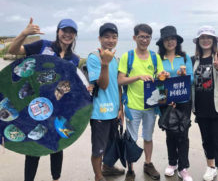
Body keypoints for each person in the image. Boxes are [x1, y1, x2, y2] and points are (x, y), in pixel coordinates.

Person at [8, 17, 79, 181]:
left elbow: (67, 83)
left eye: (71, 32)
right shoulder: (43, 45)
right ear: (58, 31)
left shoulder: (73, 59)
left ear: (75, 35)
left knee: (57, 145)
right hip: (33, 102)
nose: (67, 35)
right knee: (34, 145)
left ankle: (56, 178)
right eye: (64, 30)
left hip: (57, 105)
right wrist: (24, 33)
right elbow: (13, 50)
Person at [118, 24, 165, 181]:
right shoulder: (128, 56)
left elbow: (160, 78)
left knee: (148, 136)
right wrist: (138, 77)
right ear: (134, 38)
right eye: (141, 37)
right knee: (131, 138)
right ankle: (130, 169)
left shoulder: (155, 57)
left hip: (151, 105)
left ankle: (148, 163)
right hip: (132, 106)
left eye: (147, 37)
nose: (144, 40)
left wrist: (162, 75)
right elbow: (120, 80)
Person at [192, 26, 218, 181]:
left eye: (209, 37)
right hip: (201, 108)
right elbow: (190, 83)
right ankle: (211, 167)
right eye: (202, 37)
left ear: (214, 41)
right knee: (206, 140)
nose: (205, 40)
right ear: (198, 41)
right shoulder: (193, 60)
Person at [86, 23, 125, 181]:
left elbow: (117, 85)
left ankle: (107, 167)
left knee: (110, 144)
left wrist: (120, 107)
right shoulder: (94, 57)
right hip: (99, 112)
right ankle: (98, 176)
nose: (110, 40)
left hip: (114, 110)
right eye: (106, 36)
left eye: (114, 37)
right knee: (98, 149)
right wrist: (105, 64)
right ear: (100, 38)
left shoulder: (115, 58)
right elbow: (102, 85)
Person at [156, 26, 193, 181]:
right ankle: (172, 163)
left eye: (173, 39)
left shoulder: (185, 58)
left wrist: (184, 76)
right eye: (167, 39)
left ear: (177, 41)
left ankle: (183, 167)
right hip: (165, 100)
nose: (170, 42)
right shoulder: (157, 58)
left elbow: (191, 79)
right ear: (162, 42)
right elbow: (156, 83)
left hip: (183, 100)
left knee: (183, 134)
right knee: (170, 133)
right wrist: (160, 77)